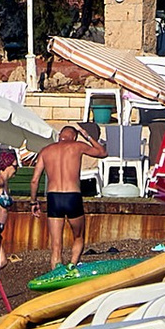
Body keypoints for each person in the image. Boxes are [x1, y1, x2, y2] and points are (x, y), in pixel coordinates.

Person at [32, 115, 106, 270]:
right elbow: (102, 152)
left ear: (60, 136)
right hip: (72, 196)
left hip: (53, 197)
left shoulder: (46, 151)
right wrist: (88, 136)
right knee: (78, 236)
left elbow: (34, 180)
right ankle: (72, 265)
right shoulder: (77, 145)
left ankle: (55, 275)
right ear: (74, 137)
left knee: (56, 245)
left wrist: (34, 202)